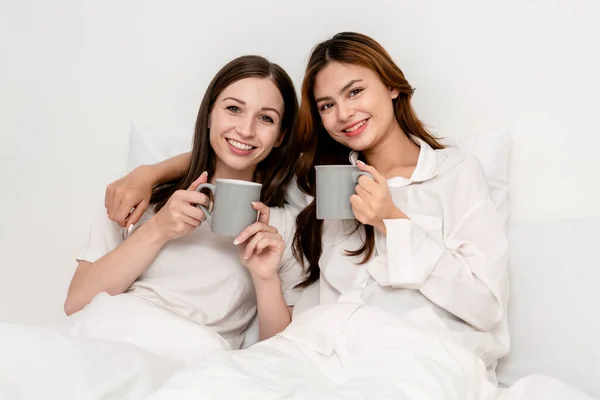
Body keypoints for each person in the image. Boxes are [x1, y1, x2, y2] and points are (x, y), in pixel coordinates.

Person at [104, 32, 509, 375]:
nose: (344, 114)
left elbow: (487, 308)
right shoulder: (322, 185)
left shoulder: (453, 172)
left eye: (355, 91)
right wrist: (151, 172)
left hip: (417, 362)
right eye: (326, 105)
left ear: (391, 85)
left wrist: (392, 221)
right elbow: (241, 150)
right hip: (322, 365)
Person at [65, 55, 305, 353]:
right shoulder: (140, 197)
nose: (246, 129)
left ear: (281, 136)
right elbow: (76, 303)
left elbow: (281, 355)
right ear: (208, 115)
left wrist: (264, 277)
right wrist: (157, 230)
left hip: (195, 358)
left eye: (265, 118)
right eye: (233, 109)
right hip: (106, 338)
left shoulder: (282, 228)